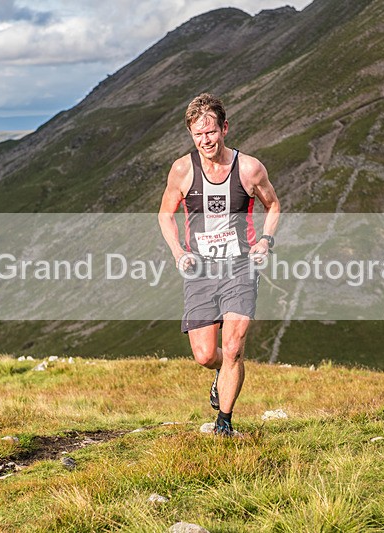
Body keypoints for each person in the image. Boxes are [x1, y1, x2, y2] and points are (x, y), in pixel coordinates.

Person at [158, 93, 280, 436]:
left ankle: (223, 424)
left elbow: (273, 205)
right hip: (200, 269)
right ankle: (220, 373)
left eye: (210, 132)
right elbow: (165, 215)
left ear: (224, 128)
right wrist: (179, 252)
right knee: (205, 353)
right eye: (198, 134)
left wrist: (265, 241)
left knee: (233, 347)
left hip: (241, 267)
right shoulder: (182, 170)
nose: (205, 140)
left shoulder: (249, 168)